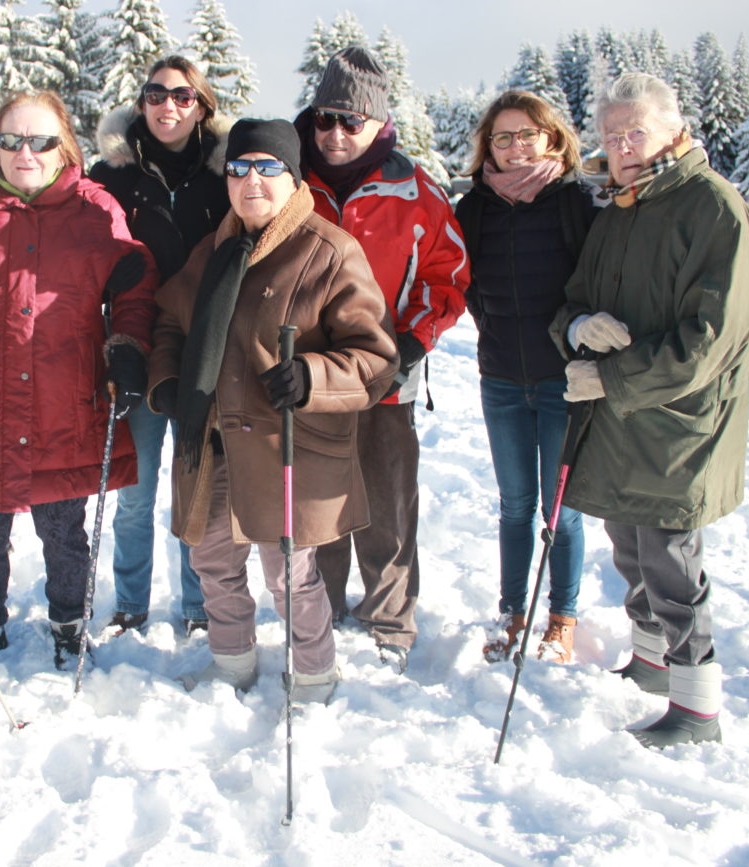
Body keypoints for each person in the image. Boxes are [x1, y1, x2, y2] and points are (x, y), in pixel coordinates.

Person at [0, 91, 156, 668]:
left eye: (41, 140)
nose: (26, 153)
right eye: (11, 140)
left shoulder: (95, 211)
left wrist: (129, 348)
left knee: (64, 531)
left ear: (64, 144)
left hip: (64, 403)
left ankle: (69, 621)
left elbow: (134, 287)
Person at [148, 119, 398, 702]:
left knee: (291, 576)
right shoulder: (213, 249)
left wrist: (313, 374)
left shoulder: (329, 251)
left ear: (292, 178)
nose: (250, 181)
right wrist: (166, 380)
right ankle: (232, 662)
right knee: (212, 560)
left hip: (289, 445)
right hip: (210, 443)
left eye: (267, 168)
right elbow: (168, 320)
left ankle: (313, 672)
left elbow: (376, 357)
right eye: (238, 169)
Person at [549, 73, 749, 748]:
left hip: (679, 424)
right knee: (632, 550)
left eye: (635, 131)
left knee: (671, 560)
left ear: (675, 128)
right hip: (619, 424)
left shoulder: (712, 209)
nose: (622, 146)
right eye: (611, 135)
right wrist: (579, 330)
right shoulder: (619, 208)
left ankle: (697, 707)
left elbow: (706, 344)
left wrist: (610, 380)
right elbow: (573, 297)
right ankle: (649, 665)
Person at [295, 47, 469, 673]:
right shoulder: (288, 179)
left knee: (388, 498)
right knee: (318, 501)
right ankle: (319, 607)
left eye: (351, 121)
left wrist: (414, 344)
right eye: (325, 119)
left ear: (378, 124)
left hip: (386, 378)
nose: (335, 134)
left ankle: (390, 617)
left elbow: (446, 278)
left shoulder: (414, 189)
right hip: (309, 377)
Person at [455, 91, 602, 665]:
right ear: (487, 145)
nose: (516, 148)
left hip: (565, 382)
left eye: (527, 135)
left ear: (552, 138)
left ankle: (560, 619)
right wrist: (490, 324)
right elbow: (461, 280)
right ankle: (511, 613)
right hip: (501, 380)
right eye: (503, 137)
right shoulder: (474, 208)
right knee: (515, 505)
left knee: (560, 510)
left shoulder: (577, 202)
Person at [88, 56, 231, 636]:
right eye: (155, 94)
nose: (167, 106)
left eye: (182, 95)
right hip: (135, 349)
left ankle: (198, 606)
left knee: (196, 489)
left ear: (202, 105)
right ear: (141, 102)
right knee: (135, 492)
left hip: (205, 352)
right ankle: (129, 603)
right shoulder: (112, 176)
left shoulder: (226, 174)